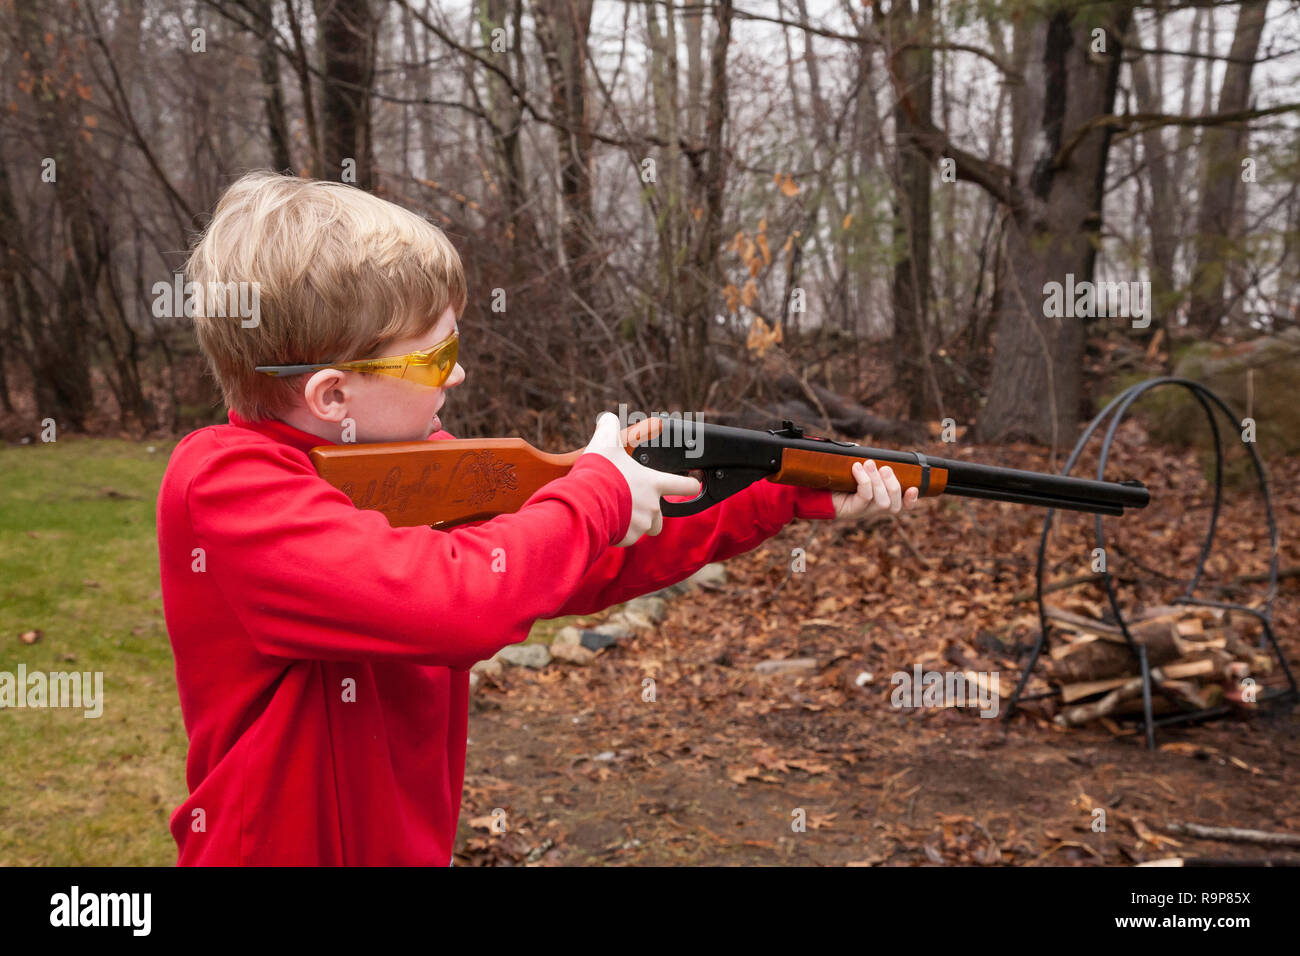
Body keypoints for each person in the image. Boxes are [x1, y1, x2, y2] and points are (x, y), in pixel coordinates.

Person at [156, 171, 920, 865]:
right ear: (331, 396)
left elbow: (588, 556)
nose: (456, 370)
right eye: (432, 356)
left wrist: (784, 493)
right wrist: (595, 491)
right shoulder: (226, 482)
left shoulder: (415, 464)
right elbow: (456, 604)